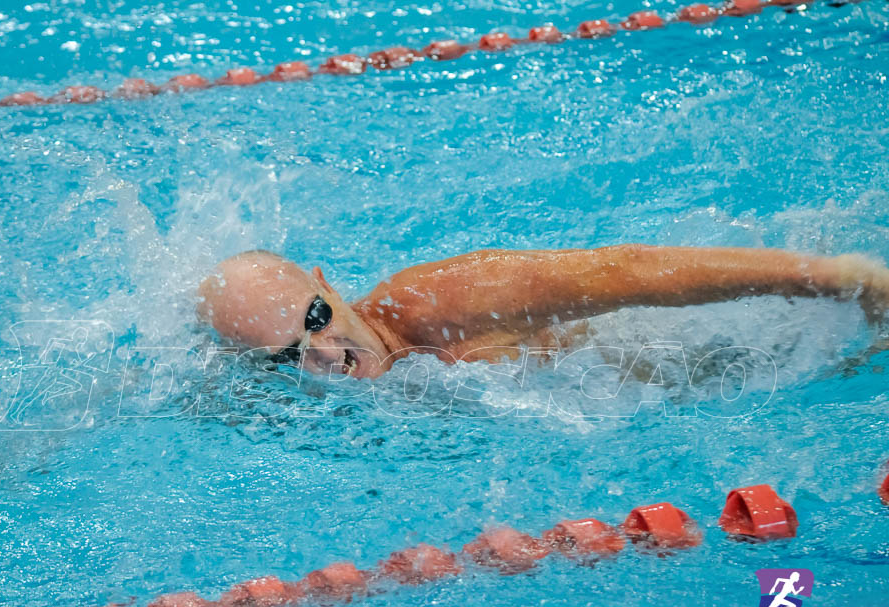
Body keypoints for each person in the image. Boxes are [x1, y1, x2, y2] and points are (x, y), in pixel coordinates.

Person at [197, 245, 889, 379]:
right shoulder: (302, 394)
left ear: (329, 285)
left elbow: (635, 273)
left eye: (316, 319)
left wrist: (833, 279)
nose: (322, 354)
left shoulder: (447, 304)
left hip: (695, 362)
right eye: (286, 355)